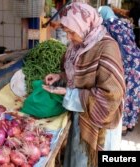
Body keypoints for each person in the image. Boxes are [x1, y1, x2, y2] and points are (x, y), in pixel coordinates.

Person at [43, 2, 125, 167]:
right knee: (78, 158)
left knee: (90, 161)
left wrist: (68, 94)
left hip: (100, 118)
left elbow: (111, 96)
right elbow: (79, 74)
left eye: (72, 32)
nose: (69, 37)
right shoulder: (77, 46)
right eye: (67, 32)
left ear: (85, 25)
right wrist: (60, 76)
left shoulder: (107, 48)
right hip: (82, 113)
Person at [98, 6, 140, 135]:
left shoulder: (107, 25)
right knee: (134, 93)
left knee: (124, 93)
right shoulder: (123, 23)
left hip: (126, 63)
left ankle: (122, 127)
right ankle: (130, 124)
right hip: (137, 59)